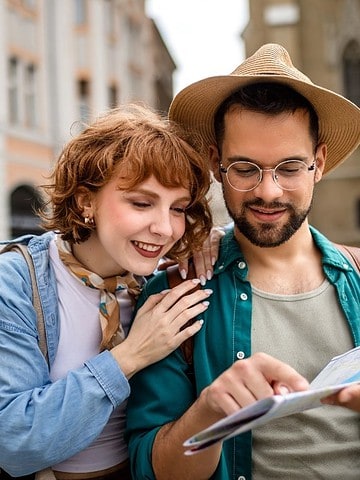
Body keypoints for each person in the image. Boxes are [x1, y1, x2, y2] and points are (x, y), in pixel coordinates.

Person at [125, 43, 360, 479]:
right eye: (245, 168)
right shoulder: (176, 294)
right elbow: (150, 470)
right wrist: (208, 413)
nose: (268, 191)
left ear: (319, 163)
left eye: (289, 167)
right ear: (216, 163)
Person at [0, 103, 222, 479]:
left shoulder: (160, 276)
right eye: (141, 203)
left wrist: (216, 241)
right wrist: (131, 356)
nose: (165, 229)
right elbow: (14, 443)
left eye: (179, 208)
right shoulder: (17, 281)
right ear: (87, 201)